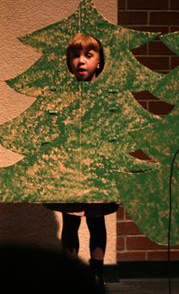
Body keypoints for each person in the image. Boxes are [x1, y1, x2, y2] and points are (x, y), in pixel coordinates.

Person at [45, 33, 118, 289]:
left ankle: (97, 275)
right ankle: (70, 276)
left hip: (98, 172)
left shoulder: (107, 96)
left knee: (97, 222)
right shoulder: (62, 97)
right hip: (70, 171)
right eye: (75, 56)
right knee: (71, 221)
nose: (81, 61)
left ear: (99, 61)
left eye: (88, 55)